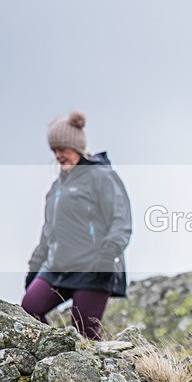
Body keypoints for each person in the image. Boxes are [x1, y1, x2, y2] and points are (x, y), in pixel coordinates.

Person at [22, 110, 132, 340]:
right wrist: (35, 264)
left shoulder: (101, 176)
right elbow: (49, 231)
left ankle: (102, 369)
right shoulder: (57, 187)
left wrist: (108, 256)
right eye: (54, 150)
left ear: (77, 147)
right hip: (57, 269)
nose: (58, 155)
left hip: (93, 268)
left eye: (62, 149)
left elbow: (121, 220)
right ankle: (55, 349)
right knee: (27, 310)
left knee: (85, 336)